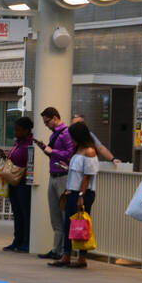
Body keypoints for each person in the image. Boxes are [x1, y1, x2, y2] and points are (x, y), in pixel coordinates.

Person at [50, 121, 98, 268]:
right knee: (68, 224)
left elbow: (87, 176)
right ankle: (67, 255)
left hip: (83, 192)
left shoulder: (90, 151)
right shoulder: (78, 150)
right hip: (73, 190)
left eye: (72, 136)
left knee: (81, 224)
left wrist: (81, 195)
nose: (70, 139)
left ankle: (82, 257)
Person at [34, 107, 74, 259]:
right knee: (55, 214)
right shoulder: (55, 134)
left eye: (47, 121)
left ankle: (63, 250)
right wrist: (45, 149)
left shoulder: (65, 133)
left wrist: (52, 152)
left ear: (55, 118)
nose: (46, 125)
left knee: (63, 213)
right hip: (54, 175)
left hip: (63, 177)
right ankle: (56, 249)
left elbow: (70, 154)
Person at [0, 116, 35, 252]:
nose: (15, 133)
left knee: (25, 212)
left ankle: (26, 241)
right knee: (17, 212)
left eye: (18, 130)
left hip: (23, 182)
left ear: (26, 130)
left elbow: (28, 161)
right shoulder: (17, 143)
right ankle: (17, 240)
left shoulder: (30, 144)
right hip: (14, 181)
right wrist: (6, 156)